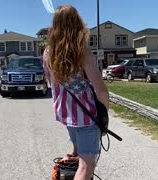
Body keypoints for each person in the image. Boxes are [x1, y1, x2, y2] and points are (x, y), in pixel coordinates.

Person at [43, 6, 109, 180]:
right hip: (86, 115)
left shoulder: (48, 53)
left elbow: (51, 83)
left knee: (76, 152)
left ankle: (70, 161)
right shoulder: (83, 53)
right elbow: (100, 89)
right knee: (86, 166)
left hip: (65, 113)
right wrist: (104, 114)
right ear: (78, 24)